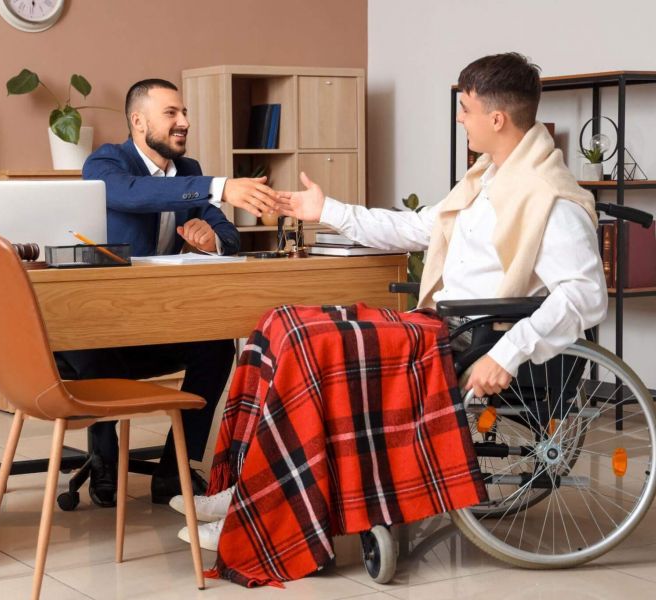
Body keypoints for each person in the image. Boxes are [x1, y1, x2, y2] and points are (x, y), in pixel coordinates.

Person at [170, 52, 607, 567]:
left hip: (476, 339)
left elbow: (584, 295)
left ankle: (263, 507)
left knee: (315, 344)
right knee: (282, 323)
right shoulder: (488, 180)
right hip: (443, 327)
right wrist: (326, 211)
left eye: (464, 109)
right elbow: (419, 228)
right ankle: (249, 484)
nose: (459, 118)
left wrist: (509, 354)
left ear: (496, 118)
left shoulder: (549, 199)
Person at [55, 78, 279, 507]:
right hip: (98, 326)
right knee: (96, 341)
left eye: (185, 113)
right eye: (171, 114)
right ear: (138, 121)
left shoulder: (188, 172)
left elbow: (226, 231)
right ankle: (103, 459)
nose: (184, 122)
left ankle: (175, 468)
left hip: (153, 321)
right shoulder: (107, 163)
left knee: (217, 346)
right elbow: (132, 195)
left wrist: (211, 240)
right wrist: (220, 186)